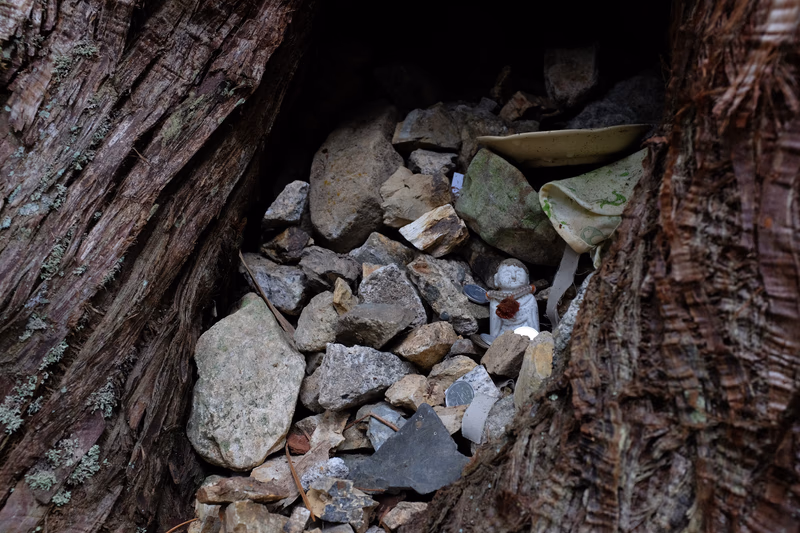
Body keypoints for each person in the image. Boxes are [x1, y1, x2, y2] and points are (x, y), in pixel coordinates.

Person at [480, 259, 539, 346]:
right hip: (505, 336)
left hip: (526, 335)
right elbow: (495, 330)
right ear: (496, 280)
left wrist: (538, 342)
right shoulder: (495, 301)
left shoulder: (530, 299)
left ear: (527, 280)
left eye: (519, 273)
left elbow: (534, 324)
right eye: (507, 273)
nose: (513, 276)